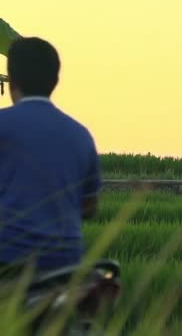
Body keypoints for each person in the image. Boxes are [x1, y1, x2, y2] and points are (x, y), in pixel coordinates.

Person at [0, 36, 101, 280]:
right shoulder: (81, 135)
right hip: (65, 263)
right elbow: (89, 207)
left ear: (11, 80)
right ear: (55, 81)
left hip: (8, 261)